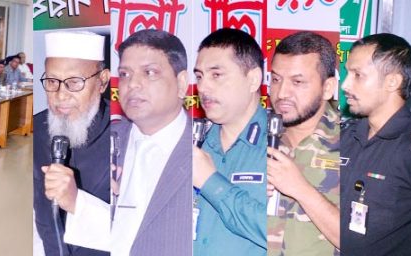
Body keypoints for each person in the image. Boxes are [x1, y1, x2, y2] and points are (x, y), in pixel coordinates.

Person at [60, 29, 192, 255]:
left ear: (181, 83)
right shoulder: (103, 139)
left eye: (149, 72)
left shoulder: (207, 147)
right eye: (125, 74)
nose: (133, 84)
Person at [339, 33, 411, 255]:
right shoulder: (343, 136)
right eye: (348, 73)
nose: (345, 84)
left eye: (358, 75)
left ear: (392, 81)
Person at [191, 28, 267, 255]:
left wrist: (211, 182)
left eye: (216, 75)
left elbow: (288, 236)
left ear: (253, 79)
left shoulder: (283, 145)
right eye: (199, 76)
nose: (203, 88)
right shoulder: (194, 143)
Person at [34, 30, 111, 256]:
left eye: (74, 83)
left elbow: (142, 227)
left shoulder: (126, 135)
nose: (60, 95)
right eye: (51, 81)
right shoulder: (36, 127)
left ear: (102, 81)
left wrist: (77, 202)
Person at [266, 31, 341, 255]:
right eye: (276, 79)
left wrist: (300, 189)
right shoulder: (253, 136)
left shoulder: (355, 142)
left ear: (328, 88)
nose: (281, 93)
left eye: (297, 82)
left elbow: (369, 243)